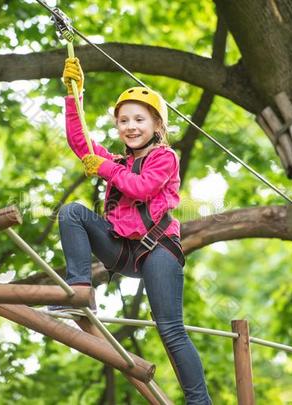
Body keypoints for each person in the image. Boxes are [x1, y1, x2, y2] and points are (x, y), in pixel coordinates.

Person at [50, 57, 212, 404]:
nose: (130, 126)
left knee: (171, 330)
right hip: (121, 248)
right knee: (72, 212)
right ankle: (80, 289)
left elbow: (141, 188)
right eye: (124, 120)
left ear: (157, 125)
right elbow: (81, 143)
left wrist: (106, 168)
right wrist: (73, 95)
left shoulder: (165, 157)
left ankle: (199, 401)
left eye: (139, 119)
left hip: (158, 250)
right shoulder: (119, 161)